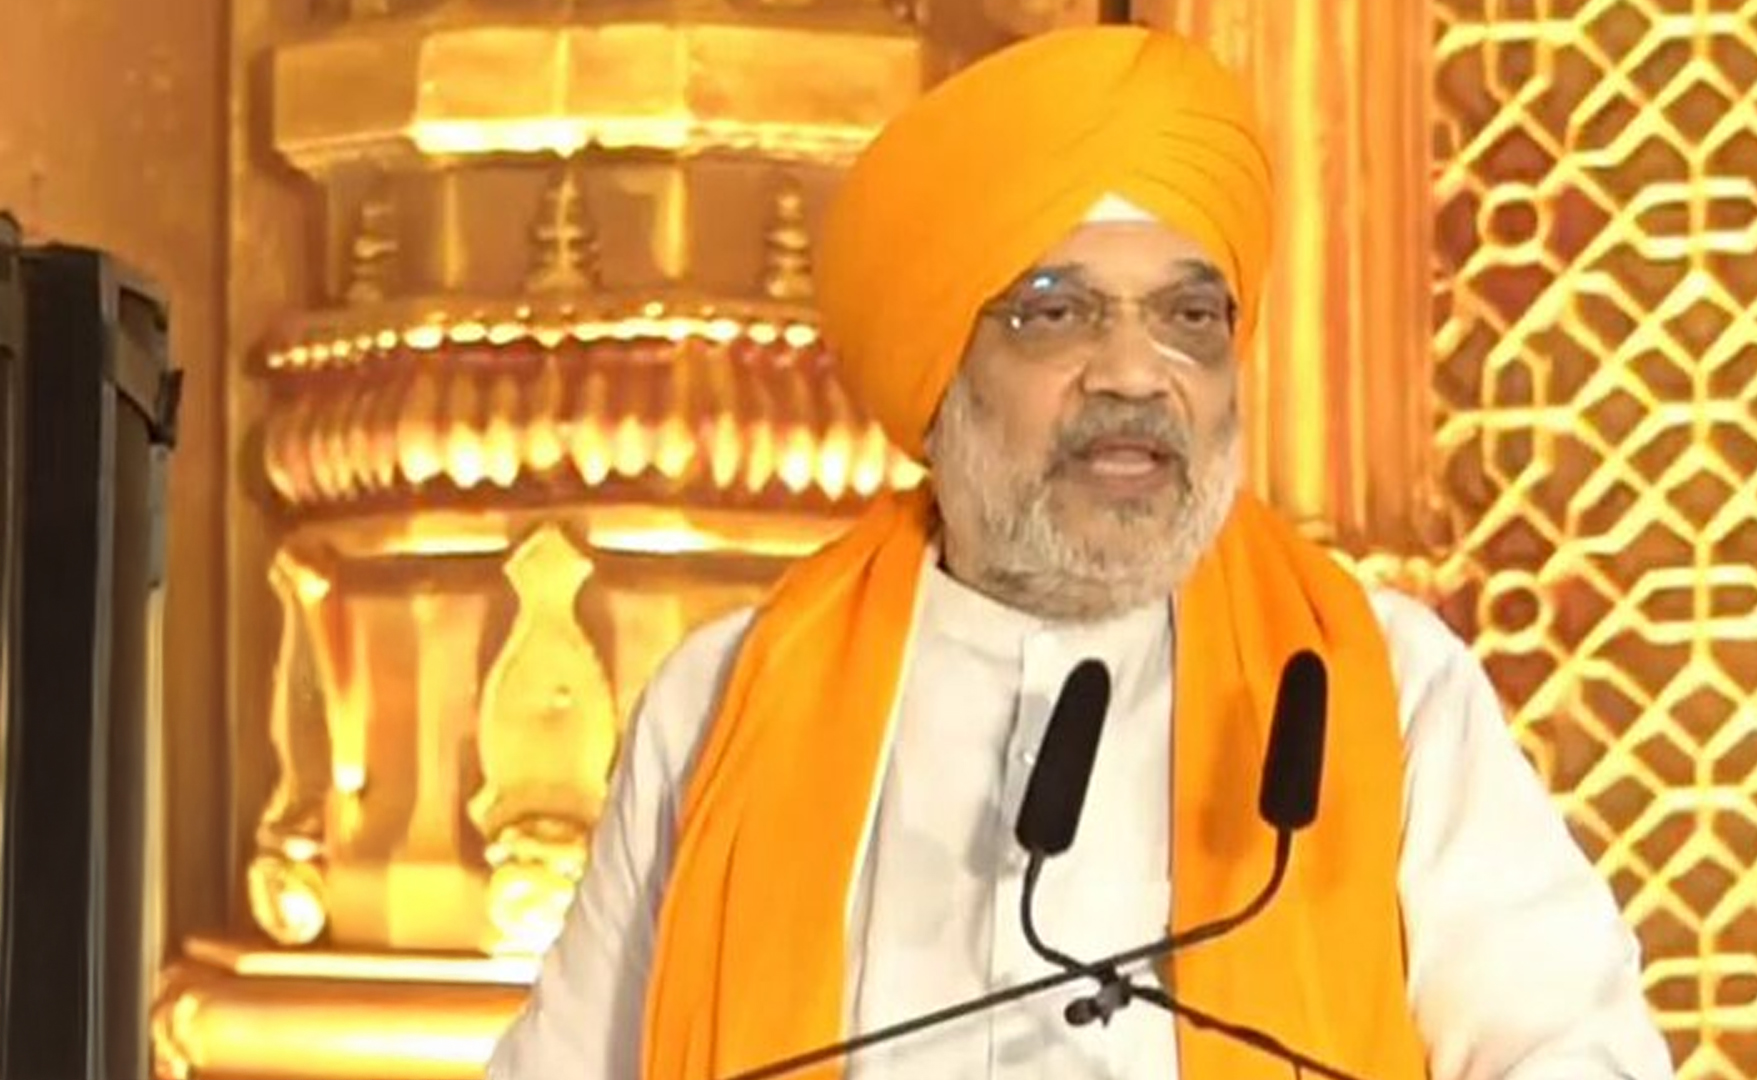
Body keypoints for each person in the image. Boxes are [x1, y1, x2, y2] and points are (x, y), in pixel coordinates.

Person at [486, 24, 1675, 1080]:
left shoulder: (1373, 688)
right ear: (940, 367)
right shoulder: (726, 705)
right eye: (1055, 311)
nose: (1131, 371)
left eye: (1189, 318)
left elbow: (1574, 1045)